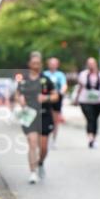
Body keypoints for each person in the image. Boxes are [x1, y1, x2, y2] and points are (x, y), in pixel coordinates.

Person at [16, 52, 58, 184]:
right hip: (29, 115)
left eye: (38, 63)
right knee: (32, 142)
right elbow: (17, 94)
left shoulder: (46, 80)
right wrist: (20, 99)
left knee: (43, 147)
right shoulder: (23, 81)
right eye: (34, 63)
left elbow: (55, 96)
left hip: (44, 115)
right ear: (29, 64)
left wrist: (46, 98)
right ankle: (32, 172)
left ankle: (40, 163)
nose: (36, 66)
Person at [76, 57, 100, 148]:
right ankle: (90, 138)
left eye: (92, 63)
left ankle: (94, 138)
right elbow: (80, 87)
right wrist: (76, 99)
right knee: (90, 118)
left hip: (98, 101)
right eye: (89, 63)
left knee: (95, 119)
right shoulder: (83, 74)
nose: (91, 65)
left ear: (95, 64)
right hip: (85, 100)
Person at [43, 57, 68, 146]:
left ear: (57, 65)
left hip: (56, 99)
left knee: (55, 120)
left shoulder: (60, 75)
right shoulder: (44, 74)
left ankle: (53, 140)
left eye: (54, 64)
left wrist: (61, 92)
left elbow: (64, 85)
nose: (53, 65)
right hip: (46, 99)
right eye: (51, 63)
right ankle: (45, 137)